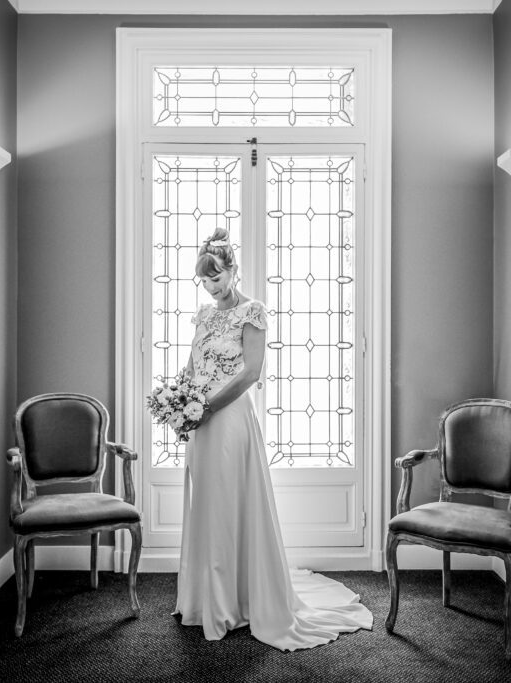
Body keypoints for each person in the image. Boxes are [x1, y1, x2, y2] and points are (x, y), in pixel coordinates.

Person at [172, 227, 373, 651]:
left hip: (229, 419)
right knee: (206, 502)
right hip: (200, 421)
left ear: (233, 270)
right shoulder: (204, 316)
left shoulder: (253, 312)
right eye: (204, 280)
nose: (210, 287)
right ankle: (205, 596)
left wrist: (207, 406)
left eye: (216, 277)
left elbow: (251, 372)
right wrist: (179, 402)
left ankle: (236, 600)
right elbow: (192, 364)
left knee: (230, 501)